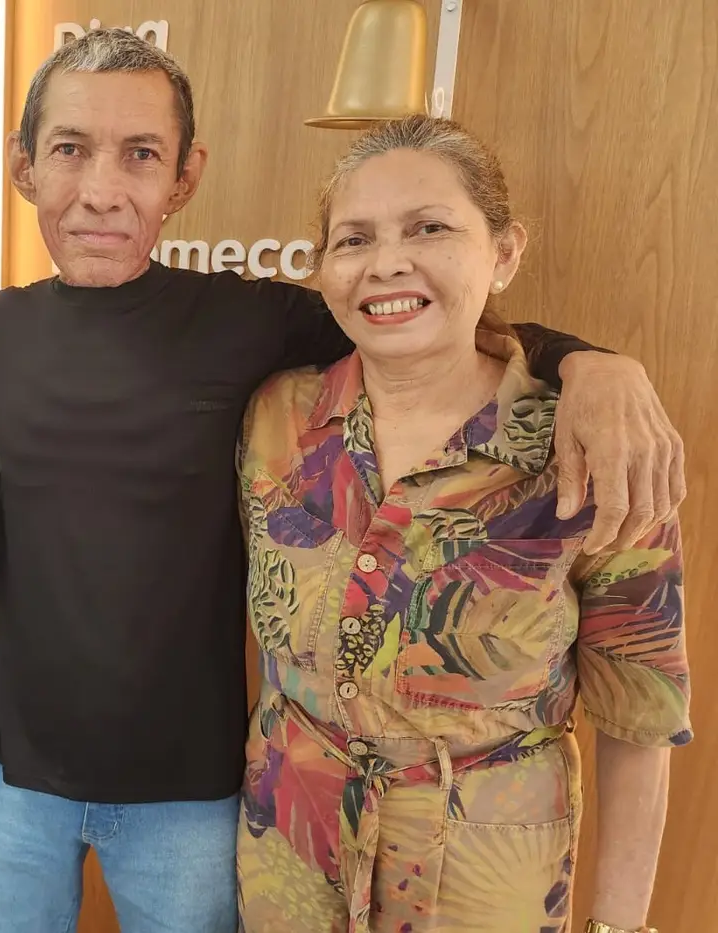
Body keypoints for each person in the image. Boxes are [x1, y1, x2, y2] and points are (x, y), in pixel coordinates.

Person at [0, 30, 686, 933]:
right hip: (13, 772)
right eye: (69, 149)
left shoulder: (252, 327)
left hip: (192, 791)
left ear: (185, 177)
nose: (101, 190)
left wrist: (589, 362)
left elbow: (416, 314)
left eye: (140, 155)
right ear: (23, 166)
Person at [236, 114, 689, 933]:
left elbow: (639, 717)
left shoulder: (591, 447)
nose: (387, 262)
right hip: (288, 861)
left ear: (504, 252)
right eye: (354, 239)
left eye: (429, 228)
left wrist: (618, 927)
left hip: (484, 881)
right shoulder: (276, 416)